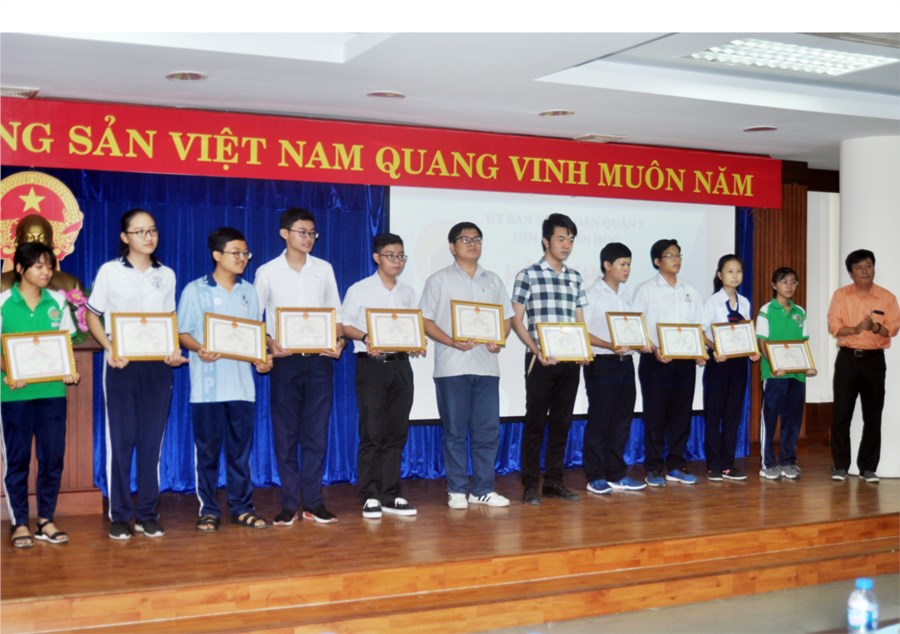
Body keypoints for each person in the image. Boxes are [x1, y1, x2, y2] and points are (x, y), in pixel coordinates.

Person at [86, 209, 187, 540]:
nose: (148, 237)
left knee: (151, 441)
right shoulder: (110, 271)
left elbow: (169, 320)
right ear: (124, 237)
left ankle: (146, 513)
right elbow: (92, 315)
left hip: (157, 365)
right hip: (122, 364)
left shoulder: (166, 274)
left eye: (152, 230)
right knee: (121, 440)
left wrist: (173, 350)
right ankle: (119, 515)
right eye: (140, 231)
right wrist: (109, 348)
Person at [177, 227, 272, 532]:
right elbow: (182, 333)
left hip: (242, 387)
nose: (242, 258)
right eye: (236, 253)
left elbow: (254, 335)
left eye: (245, 253)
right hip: (207, 387)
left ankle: (242, 508)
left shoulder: (249, 292)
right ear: (217, 255)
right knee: (207, 452)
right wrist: (199, 348)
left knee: (240, 453)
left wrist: (261, 357)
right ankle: (208, 510)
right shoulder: (195, 290)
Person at [254, 208, 344, 525]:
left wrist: (339, 342)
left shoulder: (324, 269)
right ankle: (289, 503)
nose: (308, 238)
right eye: (302, 232)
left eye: (312, 233)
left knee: (316, 434)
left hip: (319, 361)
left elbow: (336, 315)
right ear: (284, 233)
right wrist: (268, 342)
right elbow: (255, 318)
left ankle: (315, 502)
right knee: (286, 434)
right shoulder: (267, 272)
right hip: (286, 362)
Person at [421, 222, 512, 510]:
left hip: (486, 366)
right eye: (465, 239)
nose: (473, 244)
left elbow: (506, 319)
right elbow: (425, 321)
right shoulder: (438, 280)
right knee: (455, 432)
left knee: (487, 431)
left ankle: (483, 489)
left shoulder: (494, 280)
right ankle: (457, 489)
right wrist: (451, 341)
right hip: (452, 367)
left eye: (477, 239)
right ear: (452, 246)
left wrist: (500, 339)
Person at [1, 242, 79, 548]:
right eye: (38, 266)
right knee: (18, 460)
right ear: (21, 269)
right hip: (14, 395)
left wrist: (67, 370)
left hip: (52, 392)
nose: (46, 272)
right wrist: (11, 369)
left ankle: (45, 519)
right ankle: (19, 523)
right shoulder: (3, 302)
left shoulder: (57, 301)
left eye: (49, 266)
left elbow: (64, 342)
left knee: (52, 457)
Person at [342, 233, 420, 519]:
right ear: (376, 257)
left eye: (401, 256)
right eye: (391, 256)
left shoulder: (408, 292)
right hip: (371, 366)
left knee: (396, 432)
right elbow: (343, 325)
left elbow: (412, 326)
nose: (397, 261)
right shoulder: (359, 290)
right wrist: (366, 337)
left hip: (401, 366)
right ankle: (370, 495)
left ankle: (391, 494)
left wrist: (415, 341)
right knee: (372, 432)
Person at [511, 213, 587, 505]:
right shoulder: (528, 275)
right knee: (535, 424)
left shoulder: (575, 277)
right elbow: (516, 320)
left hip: (570, 362)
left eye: (571, 240)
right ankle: (530, 484)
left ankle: (554, 481)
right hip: (540, 361)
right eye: (561, 238)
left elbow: (579, 320)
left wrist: (583, 350)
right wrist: (536, 349)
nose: (566, 245)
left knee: (561, 423)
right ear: (546, 241)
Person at [632, 238, 705, 487]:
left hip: (685, 361)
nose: (676, 260)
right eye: (670, 255)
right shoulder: (645, 290)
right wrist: (653, 349)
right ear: (657, 261)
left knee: (681, 414)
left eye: (678, 255)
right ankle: (654, 468)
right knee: (655, 415)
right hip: (655, 360)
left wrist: (699, 351)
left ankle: (676, 464)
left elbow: (698, 326)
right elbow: (636, 327)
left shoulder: (690, 290)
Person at [581, 242, 648, 495]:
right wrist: (610, 345)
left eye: (629, 264)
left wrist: (642, 342)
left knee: (621, 422)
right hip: (602, 363)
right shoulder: (591, 294)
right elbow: (583, 332)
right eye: (622, 264)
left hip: (626, 363)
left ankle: (616, 474)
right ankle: (595, 476)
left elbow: (635, 328)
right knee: (600, 421)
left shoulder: (628, 294)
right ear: (607, 265)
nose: (627, 269)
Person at [827, 250, 899, 483]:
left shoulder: (887, 297)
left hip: (874, 361)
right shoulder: (841, 295)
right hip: (847, 359)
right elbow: (834, 325)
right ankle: (840, 466)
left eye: (868, 266)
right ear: (851, 273)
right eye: (858, 268)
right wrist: (855, 329)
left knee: (873, 415)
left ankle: (868, 467)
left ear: (874, 268)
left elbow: (893, 328)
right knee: (841, 414)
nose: (864, 271)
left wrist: (874, 327)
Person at [755, 267, 816, 481]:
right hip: (774, 374)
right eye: (784, 281)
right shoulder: (766, 310)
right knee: (770, 418)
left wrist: (808, 366)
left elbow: (803, 343)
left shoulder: (800, 312)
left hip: (796, 375)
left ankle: (788, 461)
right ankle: (767, 463)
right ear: (774, 285)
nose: (789, 286)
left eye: (793, 282)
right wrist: (773, 365)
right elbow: (762, 341)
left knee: (793, 419)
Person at [702, 254, 759, 482]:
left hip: (739, 364)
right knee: (714, 414)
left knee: (733, 414)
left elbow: (746, 332)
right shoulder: (712, 302)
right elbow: (701, 332)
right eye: (729, 271)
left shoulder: (744, 302)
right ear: (720, 275)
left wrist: (753, 349)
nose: (735, 276)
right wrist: (715, 348)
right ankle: (714, 465)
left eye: (738, 271)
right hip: (718, 362)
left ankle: (728, 464)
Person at [1, 214, 84, 293]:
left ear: (51, 243)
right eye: (29, 238)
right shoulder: (2, 284)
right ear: (16, 243)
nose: (36, 243)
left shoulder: (71, 285)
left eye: (42, 238)